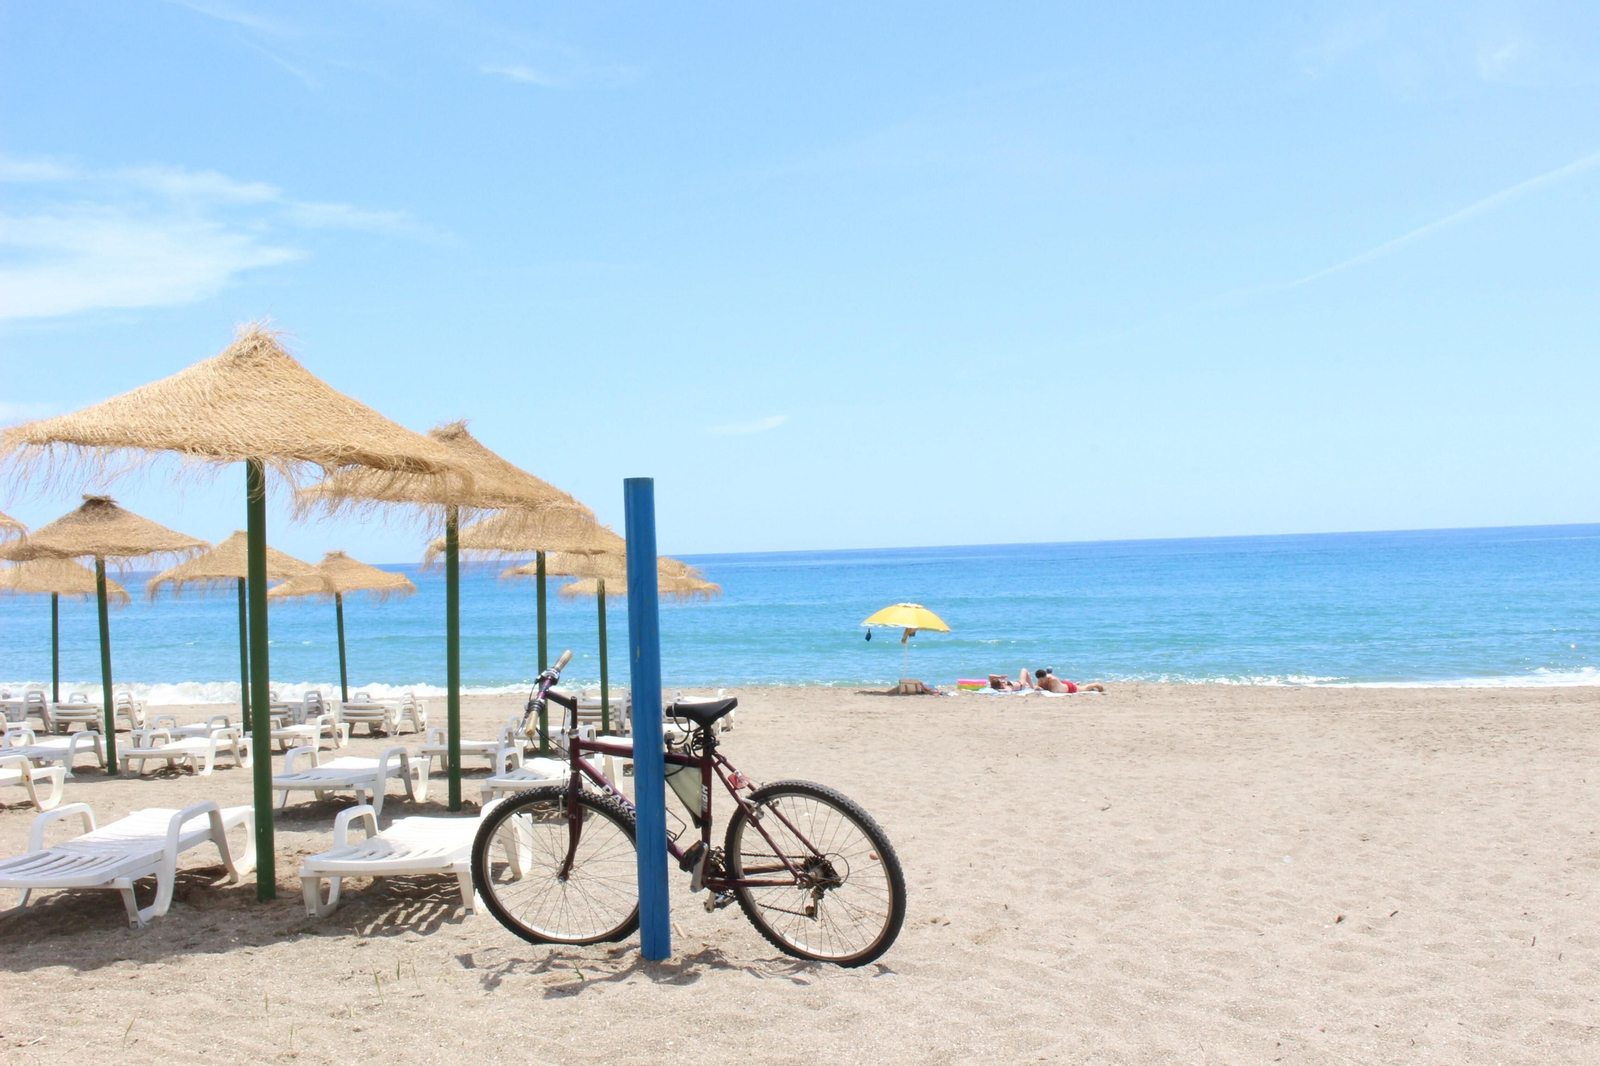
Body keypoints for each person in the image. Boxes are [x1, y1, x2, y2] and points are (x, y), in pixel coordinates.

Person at [1034, 668, 1104, 694]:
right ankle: (1076, 684)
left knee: (1084, 688)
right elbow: (1038, 686)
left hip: (1069, 688)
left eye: (1042, 680)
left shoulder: (1053, 680)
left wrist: (1041, 688)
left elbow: (1053, 692)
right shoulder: (1041, 679)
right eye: (1040, 680)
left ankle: (1096, 684)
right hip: (1062, 684)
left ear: (1045, 677)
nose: (1041, 682)